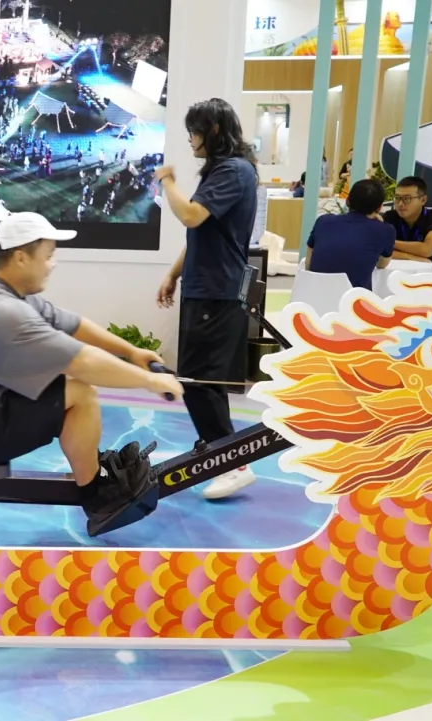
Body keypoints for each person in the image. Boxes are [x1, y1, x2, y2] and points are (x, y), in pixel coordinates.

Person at [0, 212, 185, 529]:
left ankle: (89, 469)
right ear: (21, 257)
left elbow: (71, 323)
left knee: (64, 385)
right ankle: (97, 497)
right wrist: (151, 380)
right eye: (48, 255)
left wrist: (132, 351)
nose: (53, 264)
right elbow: (84, 363)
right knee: (81, 393)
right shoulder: (3, 310)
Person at [154, 97, 259, 500]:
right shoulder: (223, 170)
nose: (190, 140)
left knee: (199, 381)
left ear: (213, 131)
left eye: (194, 132)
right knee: (205, 381)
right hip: (206, 287)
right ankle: (217, 449)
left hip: (218, 290)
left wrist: (167, 182)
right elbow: (201, 230)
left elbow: (191, 215)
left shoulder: (234, 170)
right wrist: (174, 274)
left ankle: (232, 463)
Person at [305, 178, 394, 291]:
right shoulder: (385, 230)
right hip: (353, 299)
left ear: (347, 201)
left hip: (313, 295)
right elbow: (382, 265)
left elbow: (308, 262)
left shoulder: (323, 221)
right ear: (379, 207)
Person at [382, 176, 432, 279]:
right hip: (397, 279)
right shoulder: (389, 217)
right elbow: (380, 251)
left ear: (423, 200)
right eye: (397, 198)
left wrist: (390, 243)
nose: (400, 203)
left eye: (407, 199)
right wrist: (410, 257)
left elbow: (427, 249)